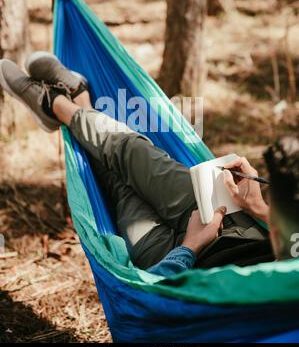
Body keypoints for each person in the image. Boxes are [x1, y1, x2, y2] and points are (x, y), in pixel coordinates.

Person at [2, 52, 294, 277]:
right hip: (229, 223)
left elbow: (160, 300)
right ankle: (63, 104)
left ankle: (63, 103)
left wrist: (189, 247)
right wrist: (261, 209)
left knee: (121, 187)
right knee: (130, 151)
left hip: (176, 266)